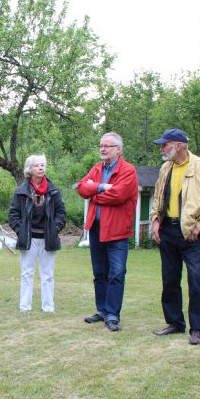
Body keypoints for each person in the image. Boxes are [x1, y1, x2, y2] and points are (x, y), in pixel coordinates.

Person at [149, 128, 200, 345]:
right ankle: (175, 323)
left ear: (178, 145)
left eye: (165, 145)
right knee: (170, 279)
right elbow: (158, 199)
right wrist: (155, 221)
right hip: (168, 231)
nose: (161, 149)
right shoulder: (166, 168)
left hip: (192, 234)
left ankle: (198, 329)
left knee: (196, 279)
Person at [76, 132, 139, 332]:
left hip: (117, 231)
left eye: (107, 146)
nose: (102, 149)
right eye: (101, 146)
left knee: (117, 273)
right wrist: (101, 187)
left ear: (118, 149)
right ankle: (102, 311)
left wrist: (94, 195)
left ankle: (112, 314)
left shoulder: (128, 171)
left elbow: (119, 195)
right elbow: (81, 188)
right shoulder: (96, 169)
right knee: (100, 272)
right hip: (96, 229)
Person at [8, 154, 66, 313]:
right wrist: (21, 231)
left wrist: (55, 229)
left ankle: (48, 307)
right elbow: (13, 214)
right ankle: (25, 307)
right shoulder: (21, 191)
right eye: (37, 165)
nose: (40, 167)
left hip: (48, 238)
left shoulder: (53, 190)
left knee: (47, 274)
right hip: (29, 238)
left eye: (42, 165)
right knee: (27, 273)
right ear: (30, 169)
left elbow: (61, 213)